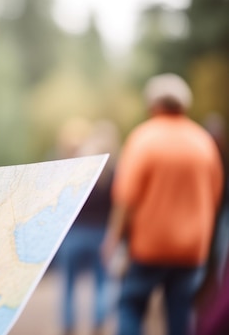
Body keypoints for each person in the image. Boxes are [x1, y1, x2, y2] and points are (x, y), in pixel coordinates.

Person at [101, 73, 224, 335]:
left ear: (152, 105)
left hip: (149, 247)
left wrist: (113, 238)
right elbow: (215, 195)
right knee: (181, 311)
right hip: (192, 250)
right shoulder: (203, 142)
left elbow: (125, 197)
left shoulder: (143, 139)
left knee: (131, 305)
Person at [56, 119, 120, 335]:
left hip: (73, 234)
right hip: (101, 234)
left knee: (68, 286)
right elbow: (118, 207)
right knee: (102, 283)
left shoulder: (78, 172)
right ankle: (98, 322)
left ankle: (67, 325)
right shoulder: (113, 173)